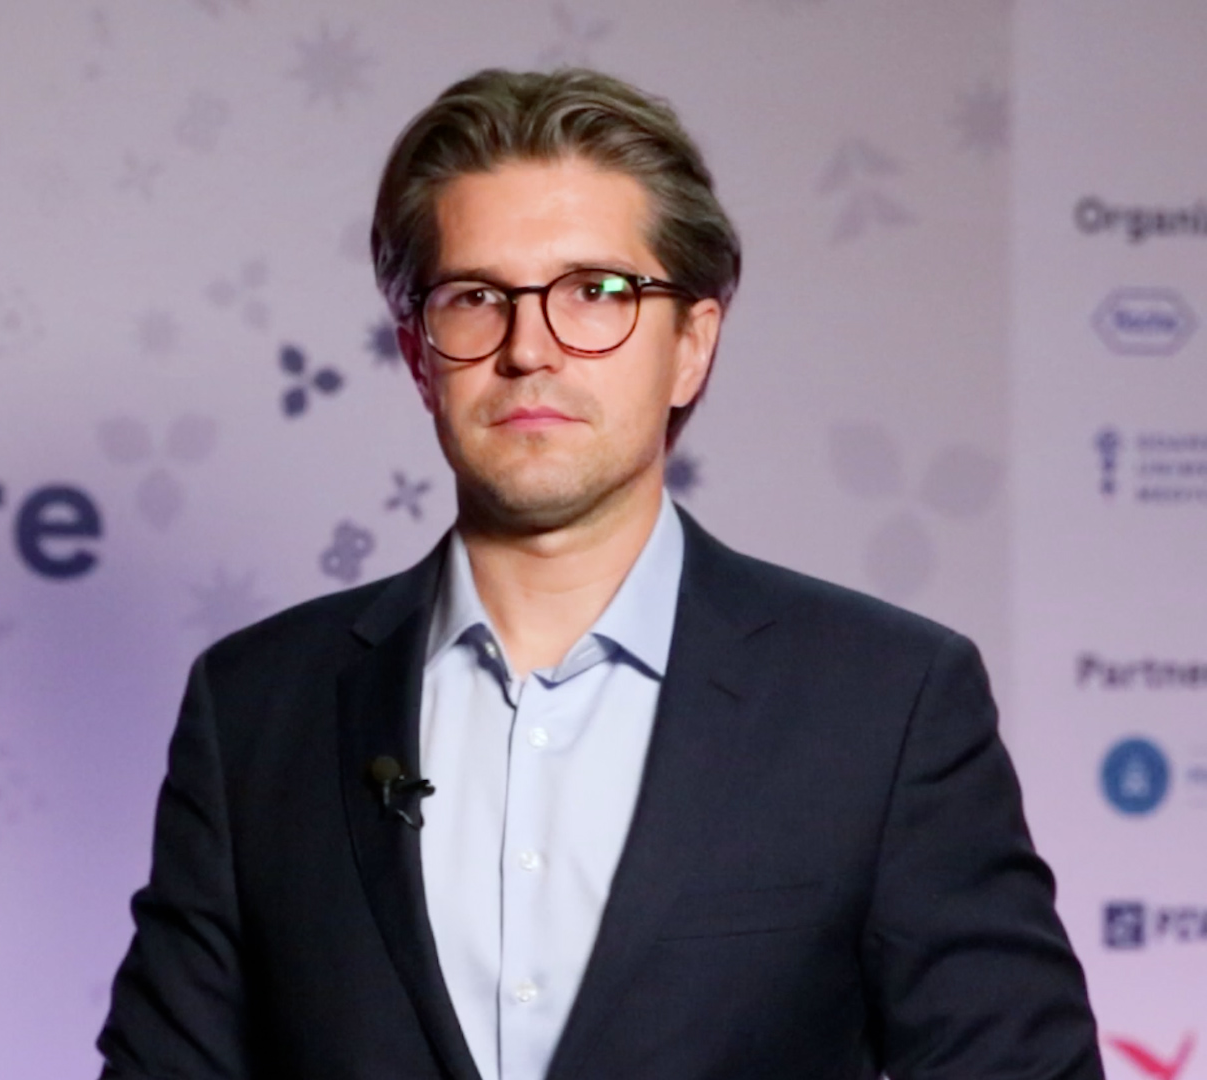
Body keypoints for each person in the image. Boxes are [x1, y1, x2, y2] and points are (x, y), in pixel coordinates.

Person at [96, 67, 1100, 1080]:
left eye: (596, 293)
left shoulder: (884, 703)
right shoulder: (257, 708)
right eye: (476, 298)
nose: (530, 348)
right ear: (418, 355)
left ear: (691, 346)